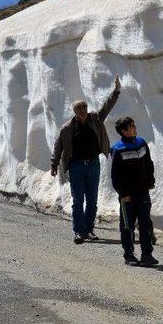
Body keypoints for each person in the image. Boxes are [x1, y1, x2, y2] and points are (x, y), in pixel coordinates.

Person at [50, 76, 121, 244]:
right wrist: (54, 164)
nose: (82, 109)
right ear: (74, 111)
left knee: (92, 200)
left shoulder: (95, 119)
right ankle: (78, 232)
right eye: (79, 108)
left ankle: (89, 230)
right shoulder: (67, 128)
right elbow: (58, 147)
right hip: (76, 167)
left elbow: (107, 107)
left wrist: (116, 92)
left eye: (84, 107)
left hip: (94, 164)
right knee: (77, 201)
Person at [111, 116, 158, 266]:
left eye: (134, 125)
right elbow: (115, 176)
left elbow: (149, 164)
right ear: (123, 131)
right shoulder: (118, 150)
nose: (134, 128)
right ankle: (129, 255)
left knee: (145, 224)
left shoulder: (142, 144)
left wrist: (150, 182)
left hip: (142, 192)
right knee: (127, 225)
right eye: (131, 126)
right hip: (127, 196)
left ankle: (146, 254)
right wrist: (123, 194)